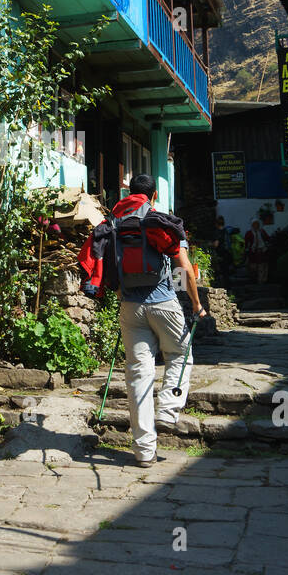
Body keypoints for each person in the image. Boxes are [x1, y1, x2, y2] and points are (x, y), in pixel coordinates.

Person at [112, 175, 205, 467]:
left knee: (138, 375)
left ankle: (143, 452)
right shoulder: (160, 221)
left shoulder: (115, 221)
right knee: (180, 354)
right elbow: (185, 268)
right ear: (153, 196)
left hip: (129, 306)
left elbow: (110, 265)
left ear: (130, 192)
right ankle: (167, 409)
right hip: (163, 301)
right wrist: (197, 304)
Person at [247, 219, 269, 284]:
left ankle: (263, 280)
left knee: (264, 266)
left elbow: (267, 239)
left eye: (257, 224)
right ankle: (259, 280)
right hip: (254, 252)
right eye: (254, 224)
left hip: (263, 251)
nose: (256, 226)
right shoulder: (249, 233)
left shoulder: (262, 232)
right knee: (257, 267)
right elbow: (247, 243)